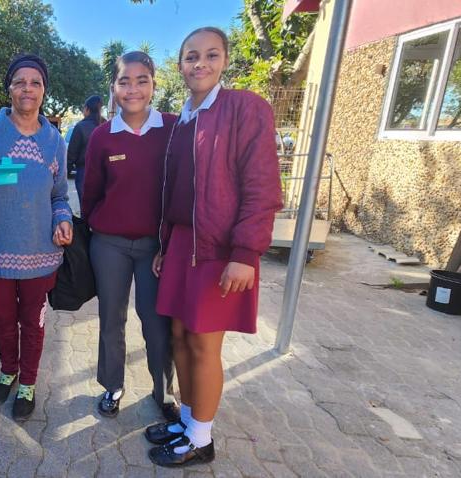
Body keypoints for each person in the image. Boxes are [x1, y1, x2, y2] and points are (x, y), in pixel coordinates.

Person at [143, 27, 282, 467]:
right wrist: (166, 244)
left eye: (210, 55)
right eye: (190, 56)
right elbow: (175, 189)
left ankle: (202, 440)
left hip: (221, 249)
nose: (199, 63)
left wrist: (246, 254)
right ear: (180, 64)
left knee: (204, 344)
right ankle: (187, 420)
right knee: (180, 337)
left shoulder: (244, 108)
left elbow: (262, 186)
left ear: (225, 60)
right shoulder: (183, 117)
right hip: (184, 243)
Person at [0, 54, 73, 421]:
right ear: (8, 88)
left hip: (42, 257)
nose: (28, 88)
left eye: (36, 82)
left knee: (34, 324)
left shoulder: (55, 140)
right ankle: (8, 370)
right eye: (20, 81)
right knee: (3, 323)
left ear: (44, 90)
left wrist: (62, 219)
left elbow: (59, 195)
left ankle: (27, 382)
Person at [81, 51, 178, 421]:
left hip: (156, 246)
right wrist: (98, 229)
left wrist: (168, 241)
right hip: (109, 244)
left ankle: (163, 390)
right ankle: (112, 385)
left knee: (156, 321)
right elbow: (90, 192)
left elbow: (181, 186)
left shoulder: (172, 128)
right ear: (113, 88)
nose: (133, 88)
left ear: (154, 85)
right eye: (125, 81)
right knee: (111, 318)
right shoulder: (103, 137)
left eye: (142, 80)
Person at [66, 95, 104, 200]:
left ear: (87, 109)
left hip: (84, 172)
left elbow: (71, 154)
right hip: (105, 172)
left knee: (85, 206)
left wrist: (65, 174)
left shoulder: (80, 127)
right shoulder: (106, 125)